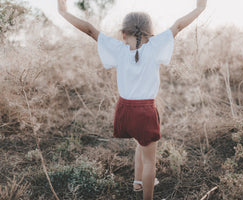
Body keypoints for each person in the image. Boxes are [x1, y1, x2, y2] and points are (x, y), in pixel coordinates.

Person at [57, 0, 207, 199]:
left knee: (141, 142)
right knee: (150, 163)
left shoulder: (118, 48)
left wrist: (63, 10)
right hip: (145, 112)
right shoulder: (154, 46)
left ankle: (138, 183)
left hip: (125, 110)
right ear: (150, 33)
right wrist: (200, 7)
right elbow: (178, 25)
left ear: (123, 34)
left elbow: (90, 30)